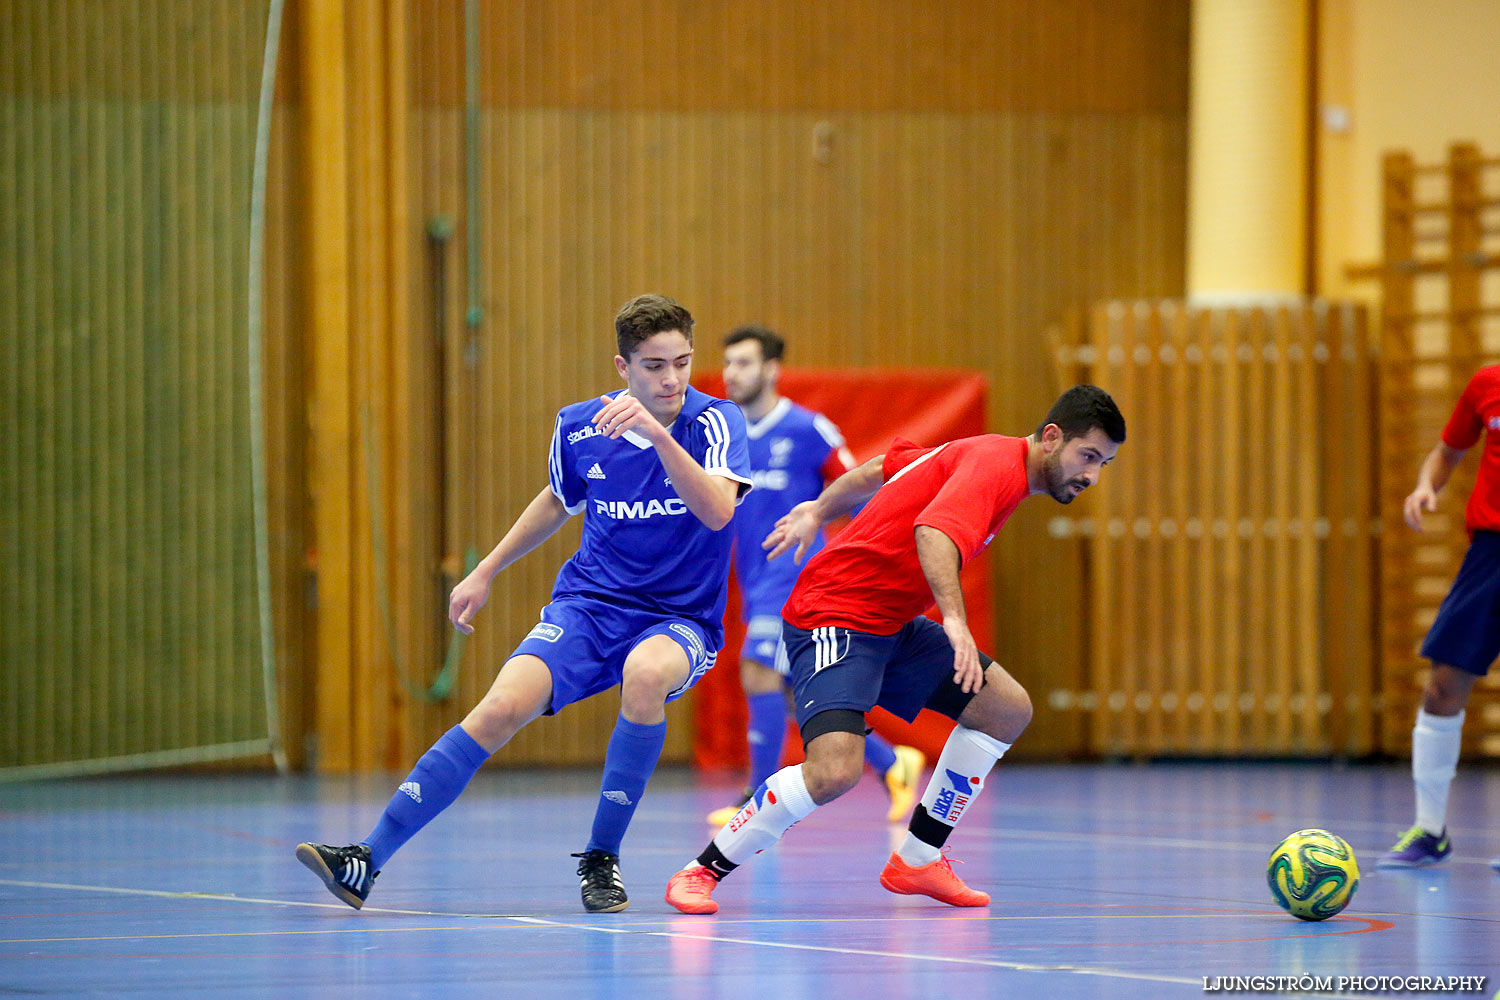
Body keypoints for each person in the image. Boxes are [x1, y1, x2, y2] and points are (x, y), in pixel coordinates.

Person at [297, 294, 752, 913]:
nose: (671, 379)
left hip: (679, 617)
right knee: (497, 708)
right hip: (590, 606)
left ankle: (601, 858)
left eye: (681, 362)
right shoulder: (580, 426)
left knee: (645, 676)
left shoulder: (716, 422)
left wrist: (658, 437)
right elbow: (555, 500)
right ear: (622, 368)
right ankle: (366, 859)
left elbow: (718, 510)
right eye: (653, 366)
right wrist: (485, 570)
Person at [665, 384, 1125, 914]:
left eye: (1103, 463)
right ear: (1051, 438)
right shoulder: (995, 467)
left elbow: (882, 467)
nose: (1091, 475)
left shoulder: (981, 454)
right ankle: (700, 871)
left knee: (1005, 707)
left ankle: (918, 859)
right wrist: (955, 621)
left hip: (888, 624)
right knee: (834, 771)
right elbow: (934, 531)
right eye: (1087, 456)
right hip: (833, 615)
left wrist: (817, 508)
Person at [709, 325, 925, 828]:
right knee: (790, 692)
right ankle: (894, 763)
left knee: (757, 670)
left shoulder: (808, 429)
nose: (731, 373)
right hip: (754, 576)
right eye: (728, 363)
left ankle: (755, 800)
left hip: (798, 574)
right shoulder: (724, 434)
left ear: (772, 369)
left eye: (743, 362)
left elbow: (861, 488)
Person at [1378, 364, 1500, 873]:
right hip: (1491, 554)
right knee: (1443, 686)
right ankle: (1430, 831)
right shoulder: (1486, 383)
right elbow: (1448, 451)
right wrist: (1427, 486)